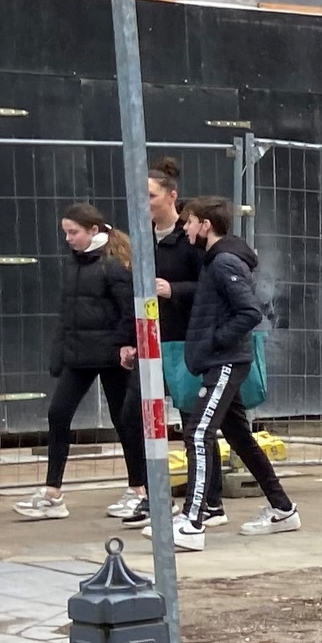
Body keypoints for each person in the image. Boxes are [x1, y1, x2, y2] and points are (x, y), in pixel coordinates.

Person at [173, 196, 297, 549]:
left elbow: (249, 312)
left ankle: (193, 521)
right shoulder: (216, 261)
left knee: (198, 434)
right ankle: (283, 509)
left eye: (189, 222)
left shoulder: (225, 261)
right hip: (220, 358)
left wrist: (214, 341)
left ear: (205, 225)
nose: (185, 228)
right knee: (240, 437)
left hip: (225, 361)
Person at [15, 205, 143, 523]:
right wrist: (59, 354)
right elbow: (68, 313)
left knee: (124, 420)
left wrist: (125, 345)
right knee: (58, 414)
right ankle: (52, 493)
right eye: (66, 232)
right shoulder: (75, 264)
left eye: (74, 232)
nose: (68, 239)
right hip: (79, 354)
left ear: (94, 231)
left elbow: (129, 310)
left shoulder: (112, 265)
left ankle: (139, 490)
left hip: (112, 357)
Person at [145, 156, 214, 524]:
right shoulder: (142, 237)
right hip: (153, 338)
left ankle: (206, 499)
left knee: (194, 421)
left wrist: (174, 290)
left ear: (171, 196)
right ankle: (145, 490)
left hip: (184, 338)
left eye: (150, 196)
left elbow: (208, 285)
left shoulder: (188, 240)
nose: (145, 203)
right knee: (138, 413)